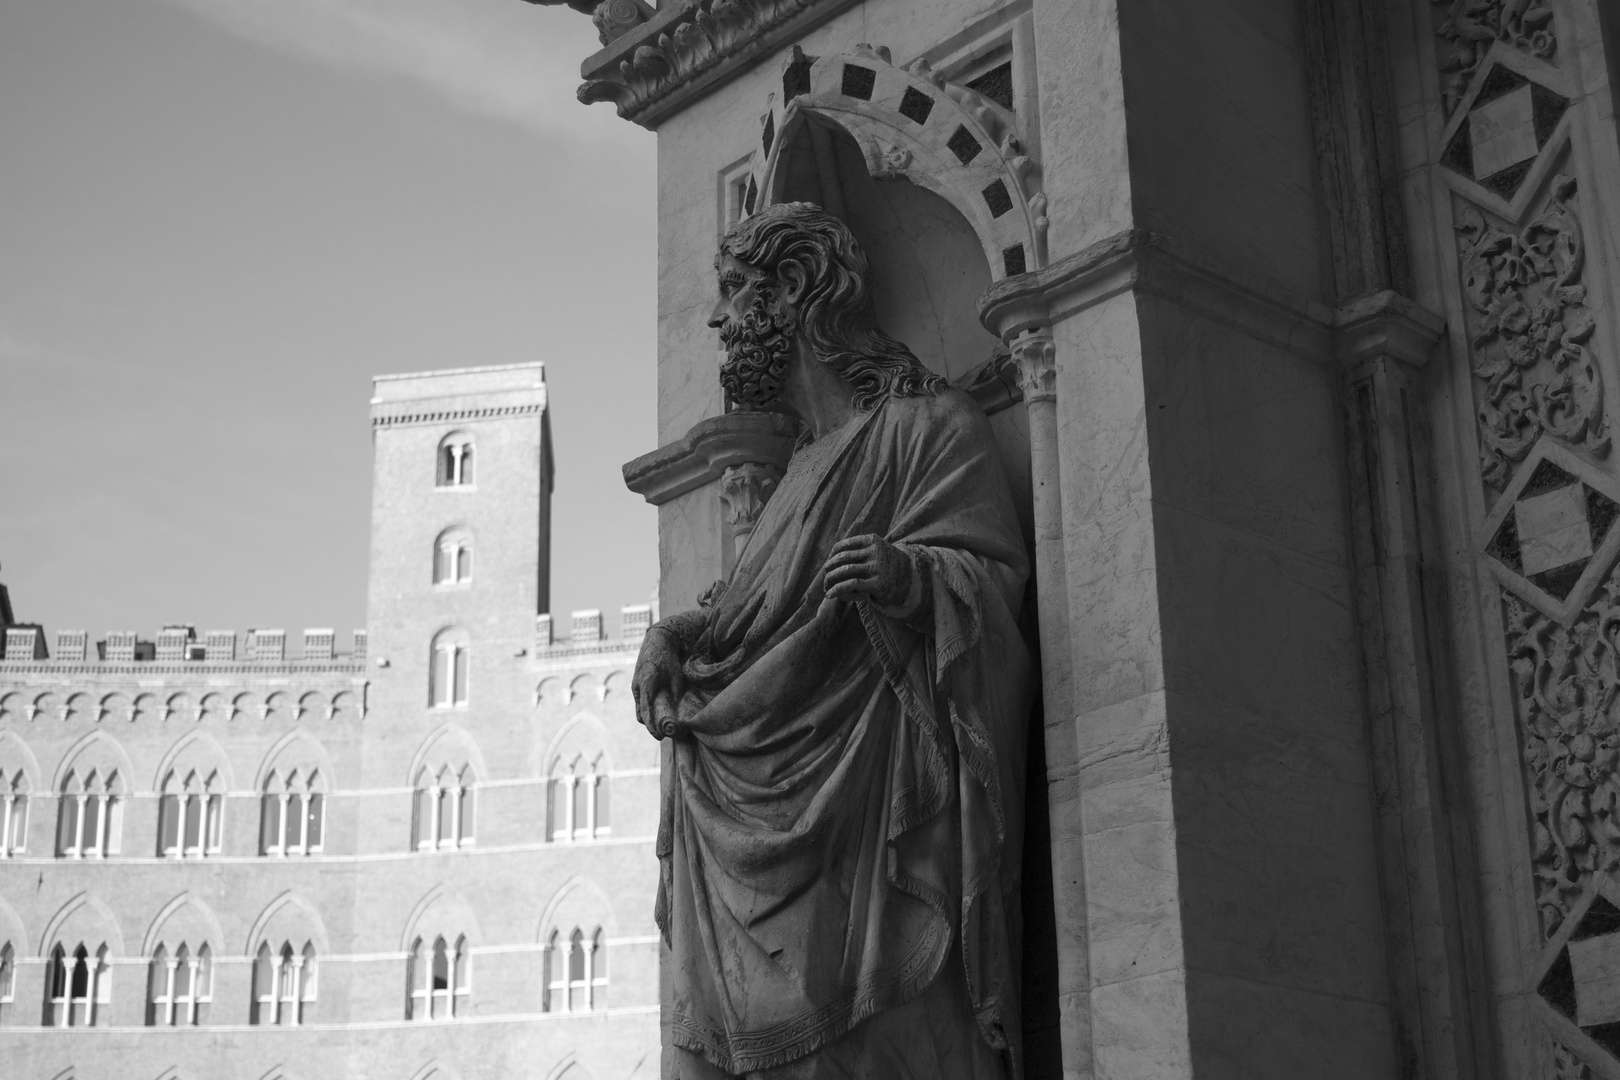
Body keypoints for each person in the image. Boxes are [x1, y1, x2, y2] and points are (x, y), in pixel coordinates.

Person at [633, 202, 1032, 1080]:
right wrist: (678, 631)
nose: (715, 318)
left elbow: (994, 582)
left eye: (736, 290)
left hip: (876, 831)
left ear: (796, 290)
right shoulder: (797, 475)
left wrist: (911, 578)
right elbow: (752, 615)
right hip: (756, 820)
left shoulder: (926, 428)